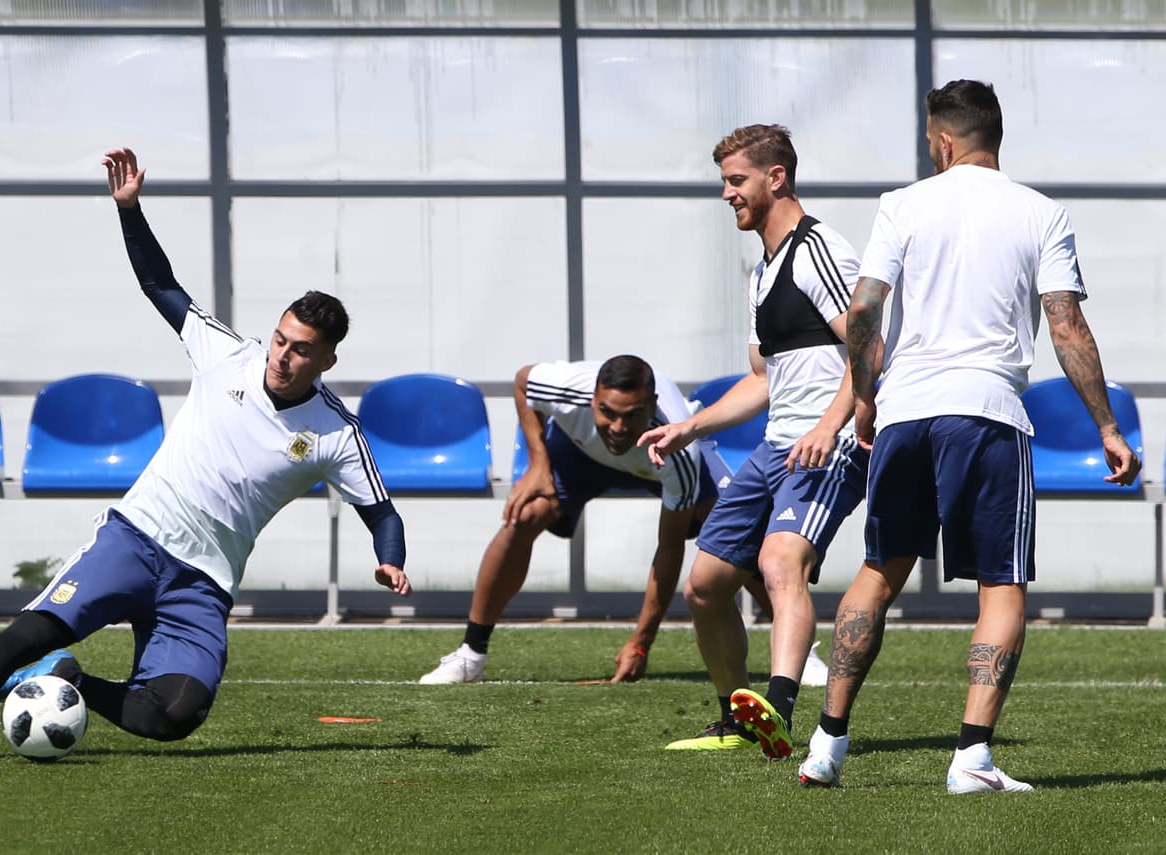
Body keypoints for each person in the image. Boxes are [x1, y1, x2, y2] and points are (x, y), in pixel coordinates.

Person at [0, 147, 412, 760]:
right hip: (136, 538)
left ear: (328, 359)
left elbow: (381, 511)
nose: (282, 355)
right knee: (34, 628)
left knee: (174, 714)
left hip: (202, 581)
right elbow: (160, 284)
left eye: (301, 349)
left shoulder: (336, 432)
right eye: (280, 338)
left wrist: (390, 559)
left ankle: (71, 679)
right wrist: (130, 209)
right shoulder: (228, 352)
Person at [796, 80, 1141, 793]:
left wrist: (865, 398)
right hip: (986, 410)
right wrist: (1105, 424)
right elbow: (1067, 327)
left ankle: (826, 745)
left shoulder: (900, 204)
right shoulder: (1041, 213)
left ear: (942, 140)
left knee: (877, 570)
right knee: (1001, 584)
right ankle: (972, 758)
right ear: (994, 136)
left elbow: (864, 310)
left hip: (904, 410)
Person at [639, 124, 869, 754]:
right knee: (706, 584)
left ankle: (782, 707)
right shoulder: (763, 272)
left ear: (777, 178)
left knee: (777, 564)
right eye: (724, 182)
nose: (726, 194)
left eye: (736, 180)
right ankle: (738, 720)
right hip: (776, 446)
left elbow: (869, 350)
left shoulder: (818, 248)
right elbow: (763, 379)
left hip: (832, 443)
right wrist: (689, 425)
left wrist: (830, 425)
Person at [418, 354, 774, 686]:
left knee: (733, 529)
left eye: (631, 414)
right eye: (607, 412)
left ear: (651, 407)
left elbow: (668, 550)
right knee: (524, 514)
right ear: (592, 399)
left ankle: (796, 653)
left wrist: (641, 643)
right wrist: (538, 465)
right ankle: (471, 653)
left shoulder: (678, 451)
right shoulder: (563, 387)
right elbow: (523, 381)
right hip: (580, 453)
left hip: (653, 457)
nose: (618, 427)